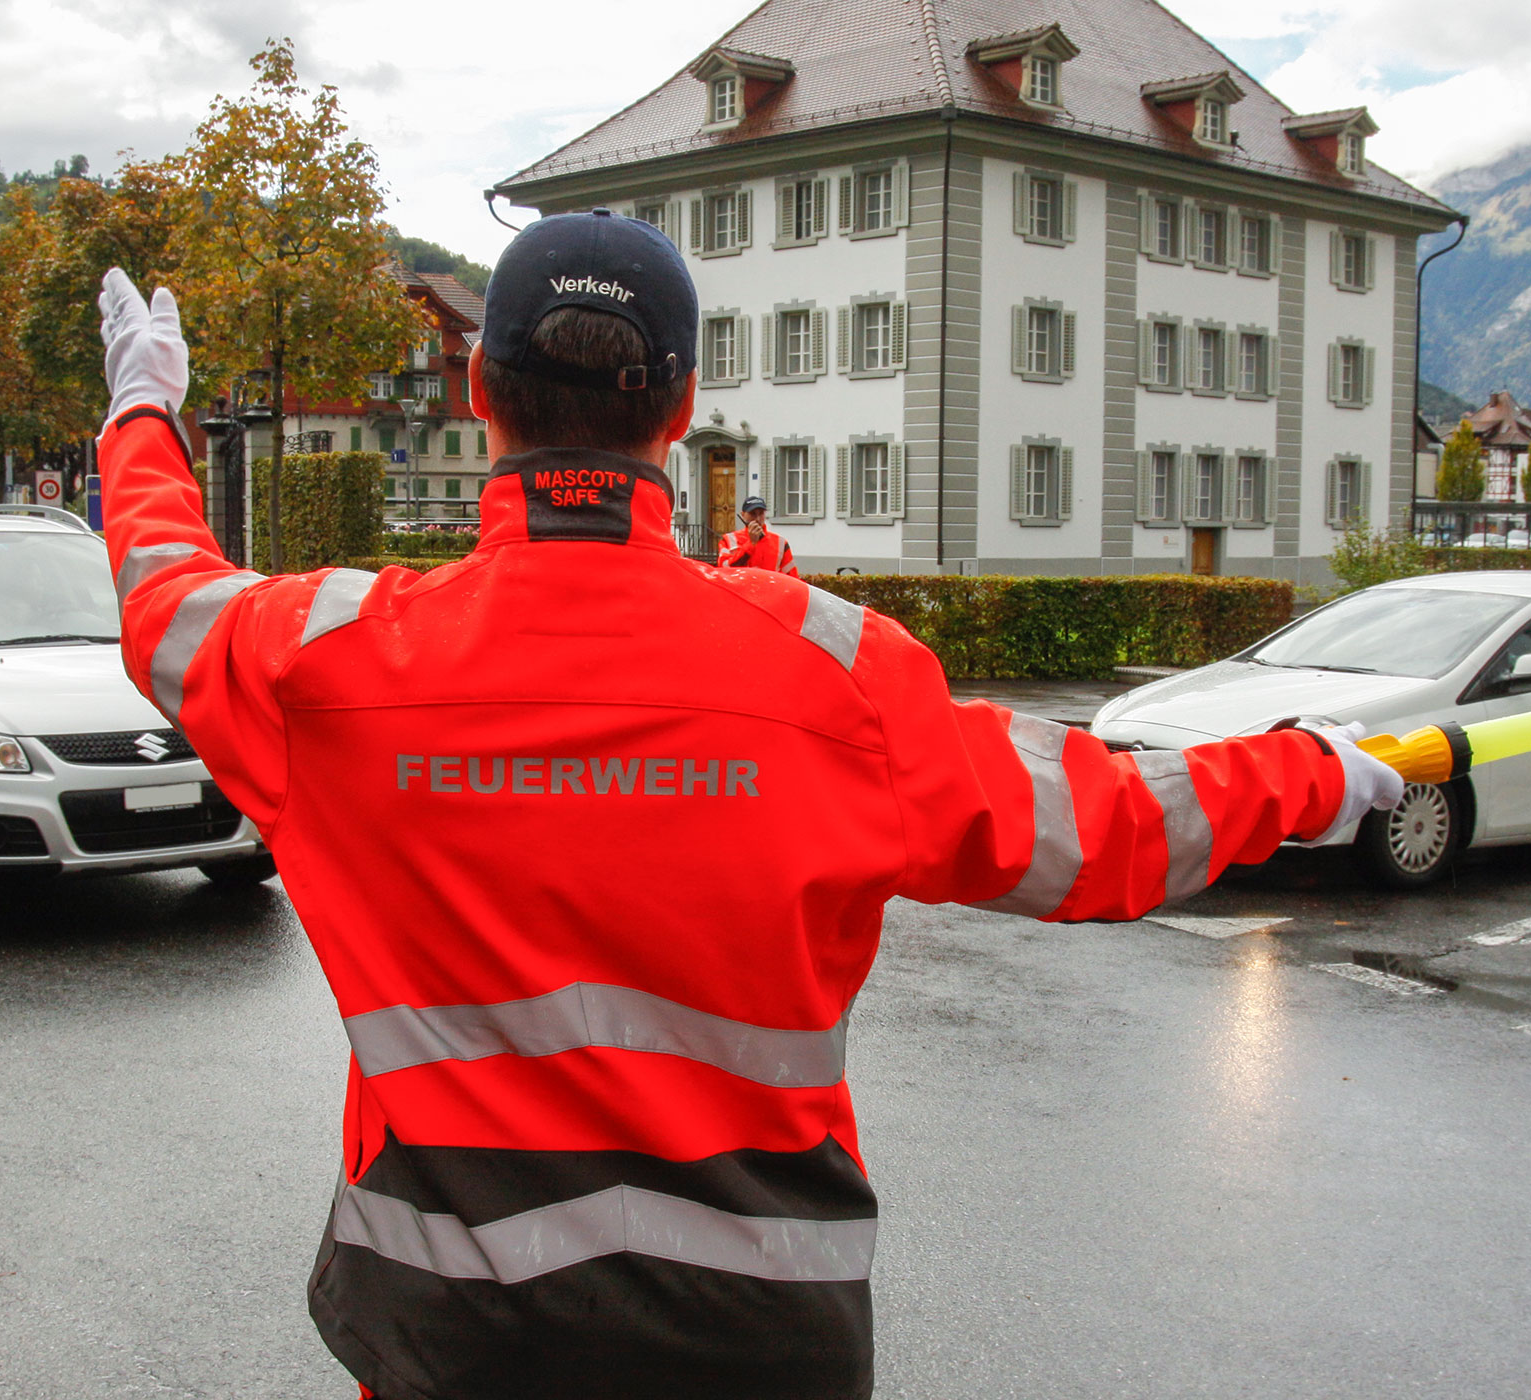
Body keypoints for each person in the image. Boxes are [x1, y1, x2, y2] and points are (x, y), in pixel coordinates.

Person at [92, 208, 1402, 1400]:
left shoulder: (330, 656)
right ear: (683, 408)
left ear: (482, 390)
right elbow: (1115, 830)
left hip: (457, 1341)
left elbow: (161, 595)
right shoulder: (840, 672)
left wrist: (145, 413)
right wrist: (1316, 772)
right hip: (757, 1341)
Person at [717, 494, 798, 576]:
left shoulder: (780, 543)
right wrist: (750, 544)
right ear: (743, 515)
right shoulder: (729, 540)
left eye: (761, 514)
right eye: (753, 514)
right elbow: (724, 570)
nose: (757, 519)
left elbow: (791, 576)